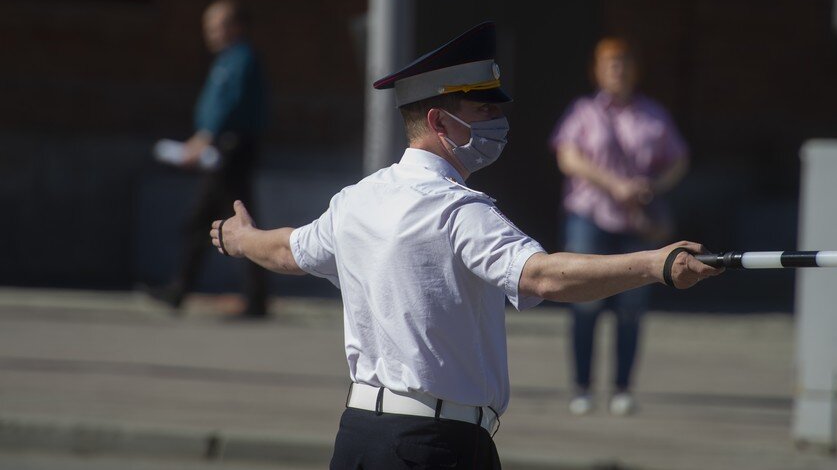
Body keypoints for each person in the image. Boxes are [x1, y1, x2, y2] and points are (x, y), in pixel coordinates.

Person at [210, 23, 718, 468]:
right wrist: (656, 263)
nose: (496, 122)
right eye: (481, 109)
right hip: (436, 445)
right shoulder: (459, 210)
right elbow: (543, 275)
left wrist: (240, 239)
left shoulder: (356, 200)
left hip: (359, 438)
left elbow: (285, 251)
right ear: (438, 121)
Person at [551, 37, 689, 417]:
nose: (618, 69)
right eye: (610, 63)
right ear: (596, 70)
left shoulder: (653, 114)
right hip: (589, 215)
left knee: (632, 306)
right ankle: (581, 386)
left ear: (636, 69)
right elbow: (568, 158)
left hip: (635, 221)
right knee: (584, 302)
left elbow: (678, 160)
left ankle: (623, 388)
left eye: (624, 62)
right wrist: (614, 185)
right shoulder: (582, 112)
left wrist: (653, 186)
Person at [150, 0, 270, 318]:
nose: (210, 33)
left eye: (216, 26)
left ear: (235, 26)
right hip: (223, 148)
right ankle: (184, 289)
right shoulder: (227, 59)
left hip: (230, 150)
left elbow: (228, 104)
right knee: (208, 220)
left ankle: (188, 289)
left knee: (225, 220)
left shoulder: (240, 59)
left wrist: (203, 139)